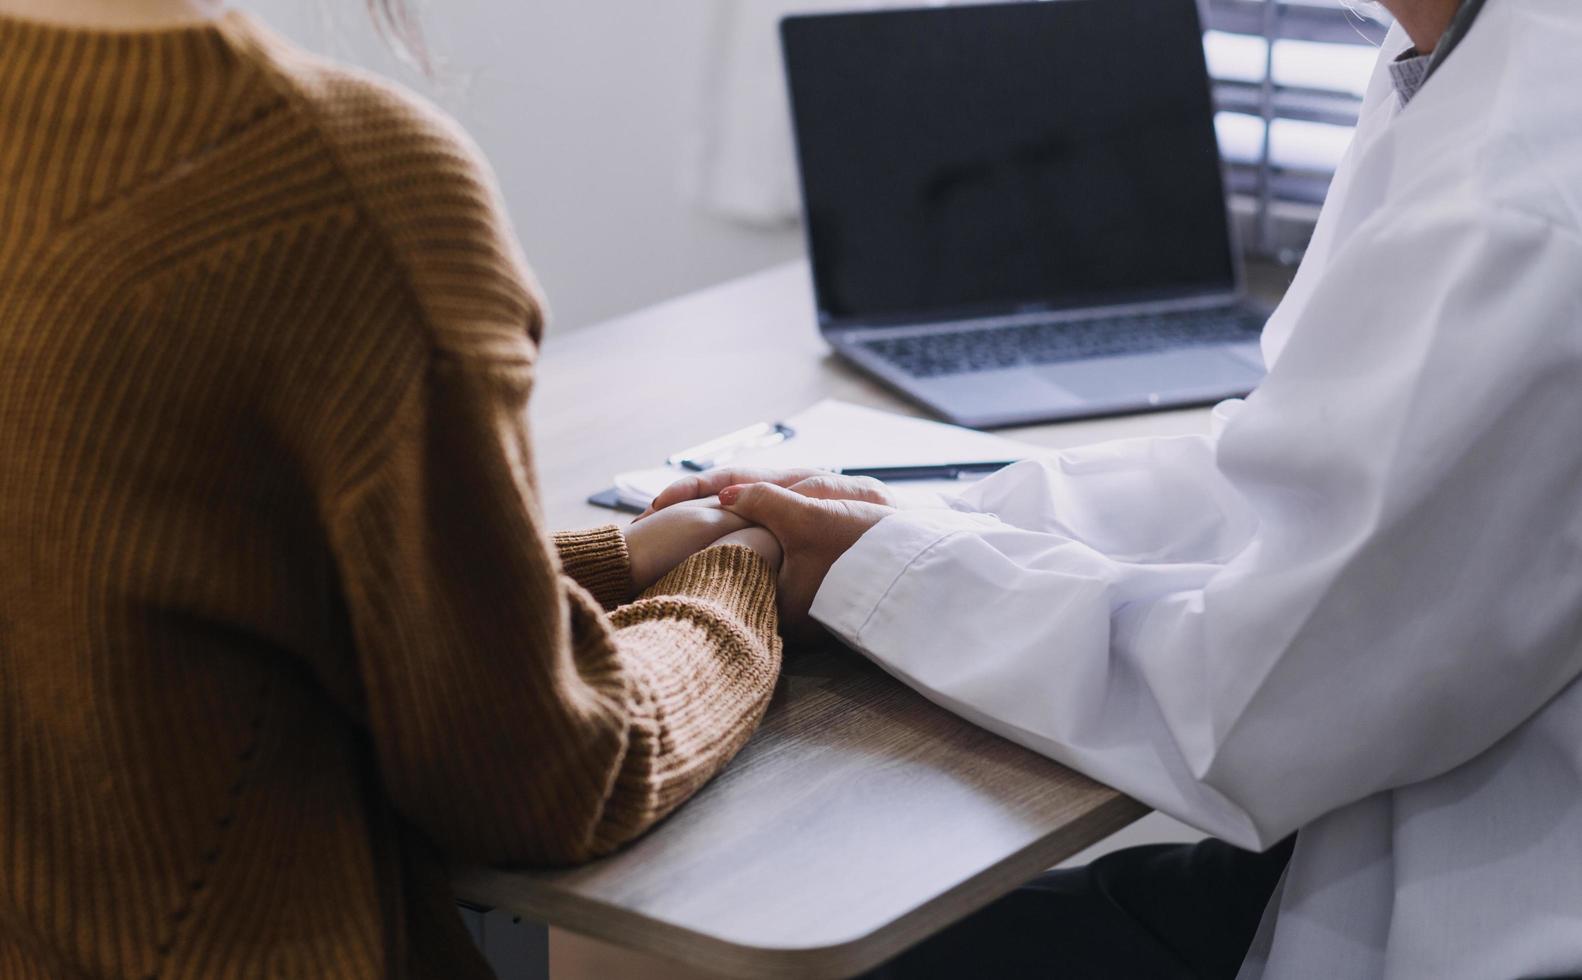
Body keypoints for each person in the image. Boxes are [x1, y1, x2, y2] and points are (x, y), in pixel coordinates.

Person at [644, 0, 1582, 975]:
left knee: (682, 951)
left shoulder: (1520, 190)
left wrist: (881, 576)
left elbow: (1251, 709)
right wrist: (916, 519)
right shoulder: (1455, 53)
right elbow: (1283, 470)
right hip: (1363, 850)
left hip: (1473, 924)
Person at [0, 0, 785, 977]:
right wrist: (734, 580)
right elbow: (545, 777)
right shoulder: (341, 179)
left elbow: (109, 572)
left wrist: (606, 559)